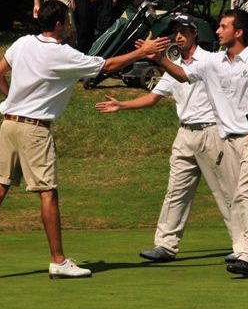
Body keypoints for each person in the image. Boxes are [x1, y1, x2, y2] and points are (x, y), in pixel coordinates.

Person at [0, 0, 168, 279]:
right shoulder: (63, 54)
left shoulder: (22, 43)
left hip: (8, 125)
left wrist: (15, 100)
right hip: (35, 130)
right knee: (48, 192)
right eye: (69, 22)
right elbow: (106, 66)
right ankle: (58, 261)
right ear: (59, 24)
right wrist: (143, 52)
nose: (72, 26)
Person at [151, 9, 248, 276]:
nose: (219, 31)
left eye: (224, 27)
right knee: (242, 197)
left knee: (247, 195)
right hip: (227, 141)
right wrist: (157, 59)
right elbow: (183, 75)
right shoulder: (214, 62)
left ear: (239, 32)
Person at [95, 14, 232, 261]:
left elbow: (186, 75)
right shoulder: (173, 65)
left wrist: (158, 59)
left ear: (195, 34)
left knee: (225, 192)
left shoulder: (211, 60)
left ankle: (245, 245)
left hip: (211, 134)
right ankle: (165, 246)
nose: (178, 36)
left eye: (184, 31)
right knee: (176, 192)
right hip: (185, 134)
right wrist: (122, 105)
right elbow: (153, 98)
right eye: (175, 32)